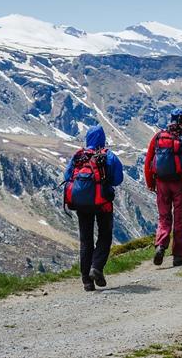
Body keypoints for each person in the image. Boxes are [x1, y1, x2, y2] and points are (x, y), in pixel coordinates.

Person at [63, 124, 124, 291]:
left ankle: (86, 281)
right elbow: (118, 179)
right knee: (105, 236)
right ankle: (96, 267)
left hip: (81, 205)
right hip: (103, 203)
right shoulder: (108, 156)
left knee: (86, 240)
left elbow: (67, 176)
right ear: (102, 139)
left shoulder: (79, 156)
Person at [144, 109, 182, 267]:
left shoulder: (159, 136)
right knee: (179, 220)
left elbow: (148, 161)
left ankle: (161, 246)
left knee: (164, 217)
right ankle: (178, 255)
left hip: (161, 183)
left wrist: (150, 183)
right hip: (179, 183)